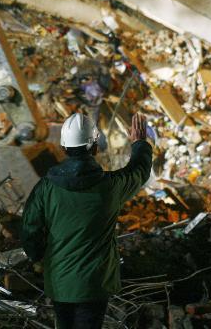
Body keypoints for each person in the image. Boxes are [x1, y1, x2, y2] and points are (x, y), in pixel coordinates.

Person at [20, 112, 152, 329]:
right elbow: (139, 171)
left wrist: (38, 257)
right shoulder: (111, 187)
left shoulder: (45, 188)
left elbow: (29, 231)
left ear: (63, 147)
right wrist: (139, 144)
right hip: (95, 284)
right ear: (94, 147)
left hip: (59, 281)